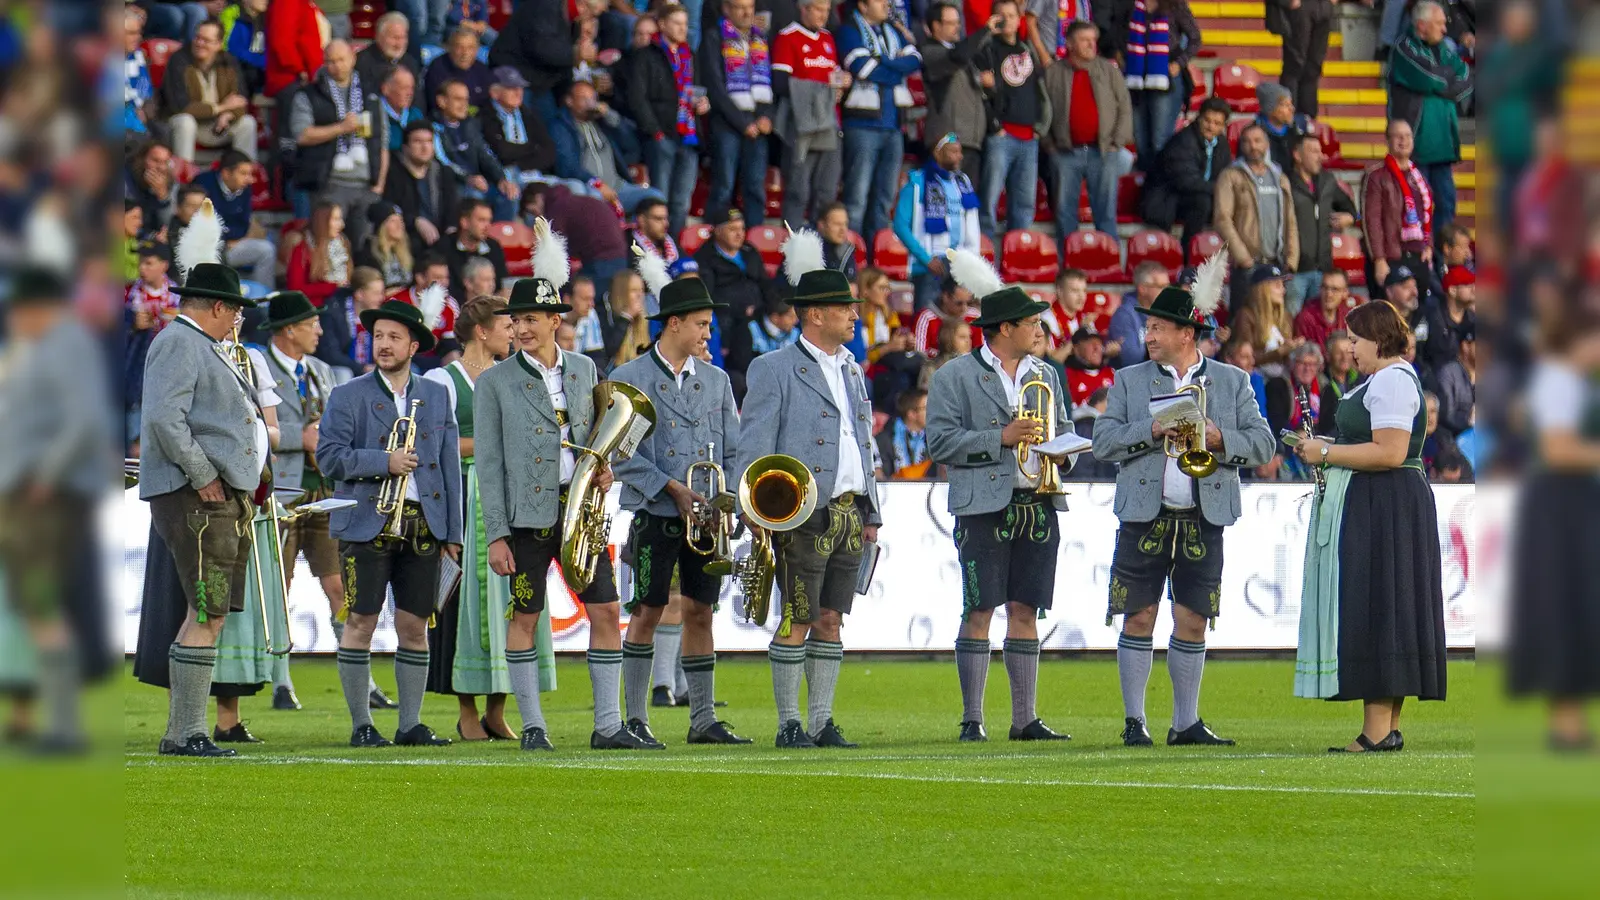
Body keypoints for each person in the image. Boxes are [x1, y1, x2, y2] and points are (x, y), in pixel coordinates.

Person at [474, 222, 655, 751]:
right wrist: (496, 535)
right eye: (516, 321)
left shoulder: (584, 368)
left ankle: (607, 726)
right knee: (525, 616)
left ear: (555, 320)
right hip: (526, 517)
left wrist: (606, 468)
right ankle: (532, 726)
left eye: (531, 319)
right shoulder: (494, 383)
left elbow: (603, 434)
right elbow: (488, 464)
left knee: (604, 610)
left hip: (581, 513)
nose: (521, 329)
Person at [1092, 269, 1276, 747]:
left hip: (1204, 513)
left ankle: (1185, 722)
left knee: (1193, 618)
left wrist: (1219, 437)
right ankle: (1135, 720)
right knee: (1138, 615)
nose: (1147, 335)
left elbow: (1263, 444)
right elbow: (1102, 441)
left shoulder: (1233, 382)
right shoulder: (1129, 380)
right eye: (1148, 328)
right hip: (1143, 513)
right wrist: (1151, 431)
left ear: (1185, 334)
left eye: (1156, 328)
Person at [740, 231, 883, 748]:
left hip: (848, 508)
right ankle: (788, 723)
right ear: (815, 314)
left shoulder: (852, 369)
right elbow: (753, 447)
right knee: (797, 616)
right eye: (845, 308)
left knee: (831, 618)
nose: (853, 316)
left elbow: (863, 443)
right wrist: (758, 511)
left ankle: (821, 721)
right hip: (800, 511)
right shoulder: (773, 368)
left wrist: (872, 512)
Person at [926, 250, 1076, 743]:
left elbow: (1066, 429)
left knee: (1026, 608)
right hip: (983, 505)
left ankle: (1024, 718)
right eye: (1032, 321)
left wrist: (1064, 453)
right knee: (979, 608)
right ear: (1005, 327)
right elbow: (940, 444)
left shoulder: (1047, 375)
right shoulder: (953, 376)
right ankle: (972, 718)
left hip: (1037, 501)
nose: (1040, 328)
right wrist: (1001, 438)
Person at [1292, 301, 1447, 752]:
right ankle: (1387, 728)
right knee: (1390, 604)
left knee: (1379, 605)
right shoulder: (1387, 380)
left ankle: (1377, 732)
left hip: (1387, 502)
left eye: (1355, 339)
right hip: (1390, 501)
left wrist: (1324, 451)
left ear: (1378, 339)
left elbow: (1390, 452)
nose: (1349, 347)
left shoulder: (1393, 381)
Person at [136, 228, 267, 757]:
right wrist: (203, 475)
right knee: (206, 610)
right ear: (217, 306)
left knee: (208, 611)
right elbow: (166, 418)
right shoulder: (179, 342)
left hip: (215, 493)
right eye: (234, 310)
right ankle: (185, 731)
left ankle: (184, 730)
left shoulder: (197, 344)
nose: (238, 319)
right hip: (198, 495)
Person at [609, 270, 750, 746]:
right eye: (701, 325)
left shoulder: (717, 380)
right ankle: (635, 718)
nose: (707, 334)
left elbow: (733, 448)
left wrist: (728, 497)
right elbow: (620, 454)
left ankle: (703, 719)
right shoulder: (628, 379)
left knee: (701, 612)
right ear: (673, 324)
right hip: (655, 514)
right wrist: (671, 487)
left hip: (709, 517)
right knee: (647, 611)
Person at [316, 298, 464, 748]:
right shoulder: (347, 394)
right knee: (360, 621)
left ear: (414, 345)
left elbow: (448, 465)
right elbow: (328, 459)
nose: (384, 344)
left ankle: (410, 724)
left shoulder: (436, 395)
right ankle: (362, 724)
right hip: (367, 522)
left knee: (414, 627)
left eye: (394, 337)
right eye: (378, 336)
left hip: (424, 524)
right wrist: (385, 461)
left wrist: (453, 534)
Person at [421, 295, 548, 742]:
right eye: (505, 324)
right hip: (466, 497)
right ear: (481, 331)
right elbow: (432, 447)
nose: (513, 332)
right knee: (466, 605)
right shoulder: (444, 380)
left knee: (514, 599)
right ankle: (467, 710)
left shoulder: (512, 377)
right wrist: (497, 444)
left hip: (512, 496)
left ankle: (498, 708)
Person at [0, 268, 114, 753]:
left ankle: (64, 729)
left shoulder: (65, 344)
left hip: (42, 498)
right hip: (32, 493)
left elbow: (85, 418)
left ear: (34, 308)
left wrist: (46, 473)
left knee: (43, 604)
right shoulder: (53, 345)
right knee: (38, 607)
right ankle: (55, 722)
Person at [1507, 306, 1600, 751]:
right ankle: (1566, 724)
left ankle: (1572, 721)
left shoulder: (1573, 382)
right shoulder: (1559, 381)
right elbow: (1558, 449)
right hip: (1562, 506)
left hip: (1576, 502)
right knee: (1569, 608)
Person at [838, 0, 923, 243]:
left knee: (885, 198)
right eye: (879, 0)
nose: (887, 4)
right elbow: (861, 67)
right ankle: (852, 257)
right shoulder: (849, 30)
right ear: (863, 6)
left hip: (894, 128)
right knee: (857, 198)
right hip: (862, 127)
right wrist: (896, 66)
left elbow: (915, 59)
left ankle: (876, 257)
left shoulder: (893, 29)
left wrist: (881, 61)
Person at [1041, 21, 1131, 242]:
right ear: (1070, 44)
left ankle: (1108, 261)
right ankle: (1068, 267)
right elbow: (1041, 111)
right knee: (1064, 214)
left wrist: (1115, 143)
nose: (1092, 45)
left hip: (1102, 152)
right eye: (1085, 40)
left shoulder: (1110, 71)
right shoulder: (1053, 73)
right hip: (1064, 153)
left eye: (1094, 40)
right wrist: (1049, 145)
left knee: (1106, 215)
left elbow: (1125, 108)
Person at [289, 40, 385, 245]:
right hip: (329, 184)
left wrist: (379, 184)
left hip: (366, 185)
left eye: (341, 60)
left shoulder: (370, 93)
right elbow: (302, 135)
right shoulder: (309, 94)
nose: (336, 66)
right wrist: (341, 128)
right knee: (327, 244)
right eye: (330, 62)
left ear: (353, 59)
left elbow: (381, 141)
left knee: (364, 245)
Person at [1387, 0, 1472, 231]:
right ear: (1422, 25)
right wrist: (1446, 81)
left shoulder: (1445, 48)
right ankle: (1421, 258)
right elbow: (1427, 78)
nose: (1445, 30)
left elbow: (1465, 79)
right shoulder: (1404, 47)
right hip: (1415, 148)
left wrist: (1439, 82)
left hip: (1443, 148)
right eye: (1439, 24)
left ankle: (1441, 260)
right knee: (1416, 208)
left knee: (1446, 205)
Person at [630, 4, 710, 238]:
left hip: (689, 137)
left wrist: (703, 104)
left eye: (685, 24)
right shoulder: (646, 55)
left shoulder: (690, 55)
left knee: (681, 202)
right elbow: (638, 98)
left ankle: (673, 247)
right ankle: (654, 248)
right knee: (660, 199)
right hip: (661, 136)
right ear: (662, 24)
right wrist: (655, 132)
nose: (683, 29)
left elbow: (696, 92)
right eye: (677, 23)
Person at [773, 0, 847, 229]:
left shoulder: (827, 39)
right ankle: (793, 246)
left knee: (826, 192)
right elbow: (781, 84)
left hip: (829, 123)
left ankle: (822, 251)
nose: (824, 15)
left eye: (826, 10)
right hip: (801, 126)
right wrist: (822, 91)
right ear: (804, 8)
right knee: (798, 191)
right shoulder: (787, 37)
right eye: (818, 10)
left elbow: (832, 78)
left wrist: (841, 85)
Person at [699, 0, 775, 223]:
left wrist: (766, 117)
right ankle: (715, 242)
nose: (746, 12)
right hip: (727, 123)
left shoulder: (760, 38)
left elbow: (769, 84)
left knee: (755, 188)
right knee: (723, 186)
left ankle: (754, 242)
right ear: (726, 9)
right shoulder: (715, 37)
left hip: (757, 124)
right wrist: (743, 123)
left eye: (750, 6)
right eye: (739, 6)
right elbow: (715, 87)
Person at [976, 0, 1045, 240]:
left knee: (1025, 202)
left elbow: (1039, 91)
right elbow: (981, 96)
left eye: (1011, 15)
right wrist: (995, 127)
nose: (1007, 19)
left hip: (1028, 137)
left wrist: (1039, 127)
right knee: (990, 197)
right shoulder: (986, 49)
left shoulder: (1028, 50)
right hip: (1002, 135)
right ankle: (985, 247)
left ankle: (1019, 248)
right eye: (1000, 15)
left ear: (1019, 20)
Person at [894, 133, 982, 312]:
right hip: (930, 264)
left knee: (955, 324)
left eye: (960, 151)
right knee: (926, 318)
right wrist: (926, 259)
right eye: (953, 151)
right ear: (937, 152)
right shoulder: (917, 182)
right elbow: (900, 225)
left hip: (958, 263)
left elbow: (972, 225)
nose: (960, 156)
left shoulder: (962, 183)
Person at [1215, 123, 1299, 297]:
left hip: (1277, 264)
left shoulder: (1280, 177)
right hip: (1247, 267)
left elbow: (1290, 220)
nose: (1252, 146)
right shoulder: (1231, 175)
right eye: (1247, 141)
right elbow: (1222, 219)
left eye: (1257, 141)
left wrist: (1292, 259)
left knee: (1273, 320)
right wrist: (1243, 258)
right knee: (1244, 320)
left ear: (1267, 144)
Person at [161, 18, 258, 164]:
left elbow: (241, 99)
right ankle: (183, 177)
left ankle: (242, 177)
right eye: (197, 37)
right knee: (185, 122)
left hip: (218, 124)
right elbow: (181, 107)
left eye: (206, 40)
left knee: (247, 122)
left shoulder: (228, 61)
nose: (199, 43)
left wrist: (229, 114)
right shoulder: (179, 60)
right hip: (187, 124)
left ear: (218, 44)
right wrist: (221, 108)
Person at [1140, 97, 1231, 248]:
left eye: (1217, 123)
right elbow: (1186, 182)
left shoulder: (1221, 143)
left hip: (1195, 195)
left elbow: (1225, 175)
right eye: (1207, 120)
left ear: (1223, 126)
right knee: (1203, 202)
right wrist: (1221, 189)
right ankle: (1189, 252)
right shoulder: (1183, 141)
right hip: (1165, 201)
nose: (1211, 127)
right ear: (1198, 118)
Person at [1121, 0, 1202, 165]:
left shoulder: (1175, 5)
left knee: (1160, 140)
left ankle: (1161, 185)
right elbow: (1120, 34)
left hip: (1165, 79)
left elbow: (1195, 38)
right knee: (1141, 141)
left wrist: (1179, 63)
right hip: (1136, 79)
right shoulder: (1131, 5)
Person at [922, 0, 995, 185]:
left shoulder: (962, 52)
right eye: (951, 23)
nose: (957, 28)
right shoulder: (930, 51)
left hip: (971, 140)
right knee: (947, 200)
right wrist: (985, 30)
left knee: (967, 201)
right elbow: (958, 57)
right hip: (947, 142)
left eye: (958, 23)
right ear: (936, 26)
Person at [1286, 133, 1357, 315]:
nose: (1320, 156)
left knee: (1317, 323)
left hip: (1323, 269)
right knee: (1291, 322)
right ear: (1297, 155)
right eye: (1313, 151)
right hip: (1295, 270)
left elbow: (1351, 209)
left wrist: (1349, 217)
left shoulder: (1327, 181)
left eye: (1321, 151)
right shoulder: (1284, 182)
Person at [1361, 119, 1433, 293]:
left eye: (1408, 136)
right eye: (1398, 136)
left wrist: (1429, 245)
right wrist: (1379, 259)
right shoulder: (1377, 176)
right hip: (1392, 256)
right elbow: (1372, 221)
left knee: (1418, 312)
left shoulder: (1418, 176)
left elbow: (1428, 213)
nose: (1404, 140)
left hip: (1418, 255)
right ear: (1387, 141)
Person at [433, 78, 518, 222]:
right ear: (442, 101)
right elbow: (442, 161)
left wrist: (501, 178)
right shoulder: (434, 127)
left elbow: (485, 154)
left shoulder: (470, 125)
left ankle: (499, 239)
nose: (464, 105)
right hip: (455, 184)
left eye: (466, 100)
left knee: (509, 193)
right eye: (458, 99)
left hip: (478, 182)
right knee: (475, 199)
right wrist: (468, 178)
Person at [192, 150, 276, 290]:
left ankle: (263, 301)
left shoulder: (245, 189)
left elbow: (243, 225)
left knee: (267, 249)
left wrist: (229, 236)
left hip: (231, 245)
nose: (250, 179)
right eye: (243, 173)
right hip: (204, 248)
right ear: (226, 173)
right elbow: (202, 224)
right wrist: (226, 237)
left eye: (250, 174)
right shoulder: (203, 184)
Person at [384, 121, 459, 252]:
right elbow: (390, 206)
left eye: (429, 141)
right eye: (418, 141)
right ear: (406, 147)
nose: (425, 147)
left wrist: (451, 228)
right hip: (407, 235)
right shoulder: (393, 172)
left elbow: (451, 206)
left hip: (439, 236)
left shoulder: (443, 172)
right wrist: (415, 221)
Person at [480, 67, 557, 186]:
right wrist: (533, 148)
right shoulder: (484, 116)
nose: (518, 92)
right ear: (494, 93)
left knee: (575, 187)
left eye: (520, 87)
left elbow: (549, 151)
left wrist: (522, 164)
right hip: (505, 179)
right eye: (511, 88)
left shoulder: (528, 114)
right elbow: (502, 151)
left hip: (535, 175)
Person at [1230, 264, 1302, 375]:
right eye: (1277, 285)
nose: (1283, 290)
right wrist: (1278, 352)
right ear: (1262, 289)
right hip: (1256, 376)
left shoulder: (1286, 317)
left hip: (1283, 377)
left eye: (1283, 285)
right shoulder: (1246, 315)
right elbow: (1245, 356)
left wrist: (1295, 347)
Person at [1267, 0, 1332, 122]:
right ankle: (1287, 116)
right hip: (1299, 6)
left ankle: (1308, 118)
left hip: (1322, 5)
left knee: (1314, 66)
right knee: (1294, 65)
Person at [316, 266, 387, 377]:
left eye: (382, 292)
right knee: (344, 374)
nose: (381, 298)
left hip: (371, 368)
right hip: (340, 369)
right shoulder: (333, 313)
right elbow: (331, 355)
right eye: (376, 293)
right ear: (359, 295)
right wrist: (362, 368)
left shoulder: (380, 313)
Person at [286, 202, 353, 307]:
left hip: (342, 304)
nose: (342, 225)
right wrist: (332, 287)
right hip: (315, 309)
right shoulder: (303, 249)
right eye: (336, 219)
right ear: (322, 221)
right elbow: (296, 289)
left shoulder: (343, 243)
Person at [442, 198, 509, 303]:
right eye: (482, 220)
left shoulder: (494, 247)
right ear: (464, 222)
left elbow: (501, 285)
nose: (488, 226)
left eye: (489, 220)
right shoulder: (444, 248)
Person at [1106, 261, 1169, 369]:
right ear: (1143, 289)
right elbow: (1131, 359)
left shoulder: (1167, 312)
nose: (1167, 292)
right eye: (1161, 287)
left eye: (1168, 286)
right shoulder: (1124, 315)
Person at [424, 28, 493, 115]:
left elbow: (487, 104)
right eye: (460, 47)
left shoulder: (482, 70)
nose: (465, 53)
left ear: (477, 50)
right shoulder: (437, 68)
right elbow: (435, 104)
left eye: (470, 48)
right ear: (450, 48)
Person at [356, 12, 424, 95]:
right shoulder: (362, 63)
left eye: (403, 38)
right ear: (378, 37)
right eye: (395, 38)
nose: (399, 44)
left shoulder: (411, 63)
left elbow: (418, 100)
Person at [913, 276, 979, 357]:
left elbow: (982, 353)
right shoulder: (926, 318)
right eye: (959, 303)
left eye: (968, 303)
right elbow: (919, 354)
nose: (964, 308)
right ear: (945, 297)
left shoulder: (975, 317)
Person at [876, 387, 932, 480]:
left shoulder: (933, 439)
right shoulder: (885, 440)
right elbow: (884, 478)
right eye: (927, 408)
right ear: (912, 414)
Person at [357, 204, 417, 289]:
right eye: (393, 221)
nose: (399, 226)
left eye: (401, 221)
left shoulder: (406, 252)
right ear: (382, 226)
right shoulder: (368, 255)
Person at [1292, 269, 1352, 350]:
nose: (1329, 294)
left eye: (1334, 289)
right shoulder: (1306, 318)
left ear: (1345, 292)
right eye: (1325, 288)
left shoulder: (1349, 317)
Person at [857, 266, 902, 364]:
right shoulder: (855, 317)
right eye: (882, 288)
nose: (887, 293)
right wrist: (887, 348)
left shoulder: (890, 315)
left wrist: (906, 343)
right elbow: (860, 358)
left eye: (888, 288)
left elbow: (896, 342)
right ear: (865, 291)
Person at [1063, 326, 1115, 410]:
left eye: (1099, 343)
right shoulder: (1068, 376)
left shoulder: (1112, 373)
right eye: (1090, 343)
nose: (1097, 347)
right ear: (1076, 349)